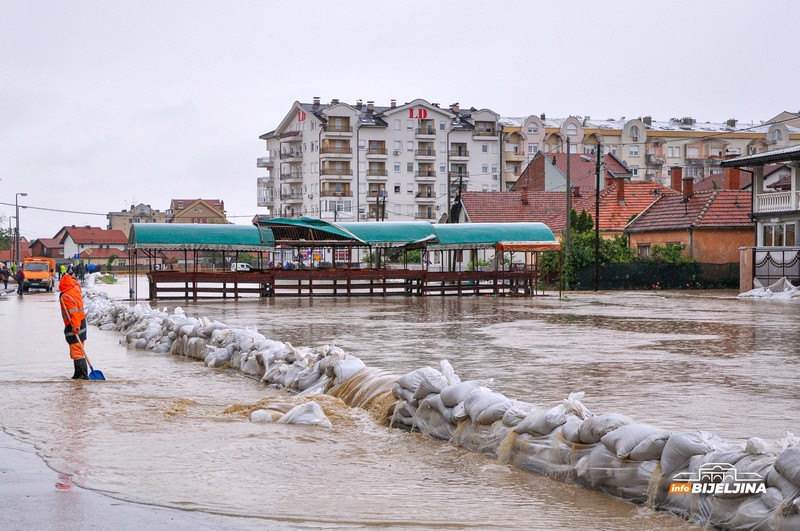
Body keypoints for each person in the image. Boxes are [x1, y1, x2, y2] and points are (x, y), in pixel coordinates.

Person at [59, 272, 89, 380]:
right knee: (78, 350)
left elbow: (73, 311)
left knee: (77, 351)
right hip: (82, 322)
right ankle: (77, 374)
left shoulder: (66, 295)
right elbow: (76, 284)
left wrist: (75, 327)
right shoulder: (75, 289)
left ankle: (82, 375)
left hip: (74, 325)